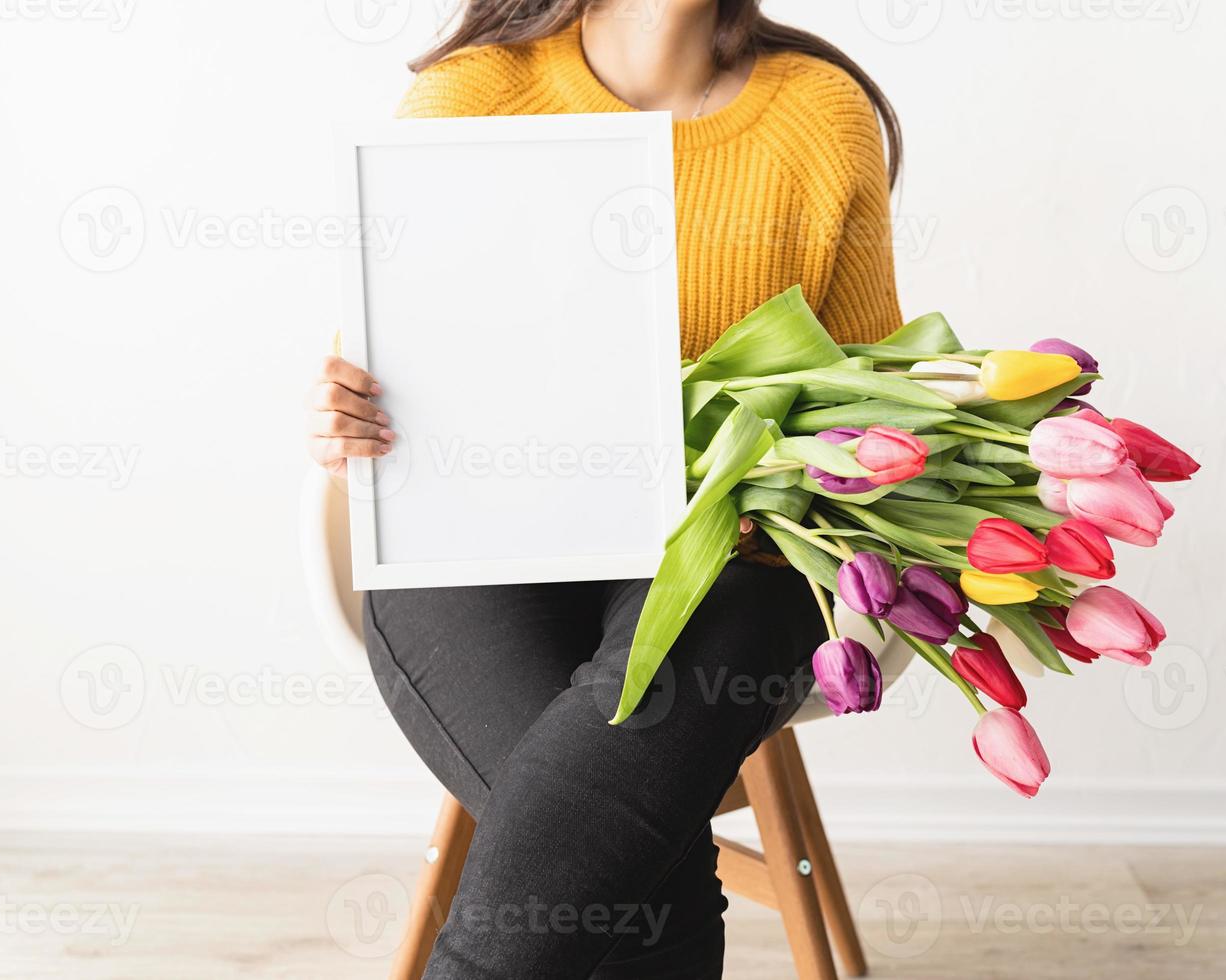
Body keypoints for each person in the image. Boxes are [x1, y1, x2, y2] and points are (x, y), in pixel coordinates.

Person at [305, 1, 902, 975]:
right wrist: (345, 410)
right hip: (475, 554)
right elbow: (389, 369)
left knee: (624, 821)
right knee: (641, 870)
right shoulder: (473, 96)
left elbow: (866, 405)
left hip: (731, 561)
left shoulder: (819, 113)